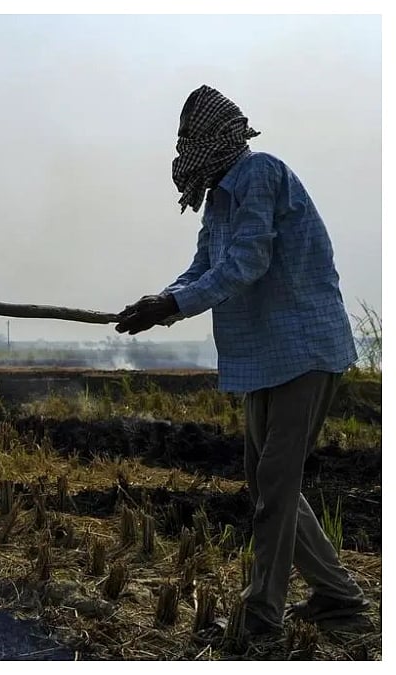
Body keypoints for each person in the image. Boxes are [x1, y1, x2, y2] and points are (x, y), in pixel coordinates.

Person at [115, 85, 369, 638]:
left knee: (276, 484)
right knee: (266, 484)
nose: (185, 151)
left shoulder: (259, 174)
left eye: (192, 140)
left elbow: (247, 261)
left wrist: (173, 304)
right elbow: (204, 264)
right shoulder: (219, 200)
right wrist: (160, 302)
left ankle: (259, 618)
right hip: (264, 354)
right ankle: (340, 598)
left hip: (303, 348)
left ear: (217, 139)